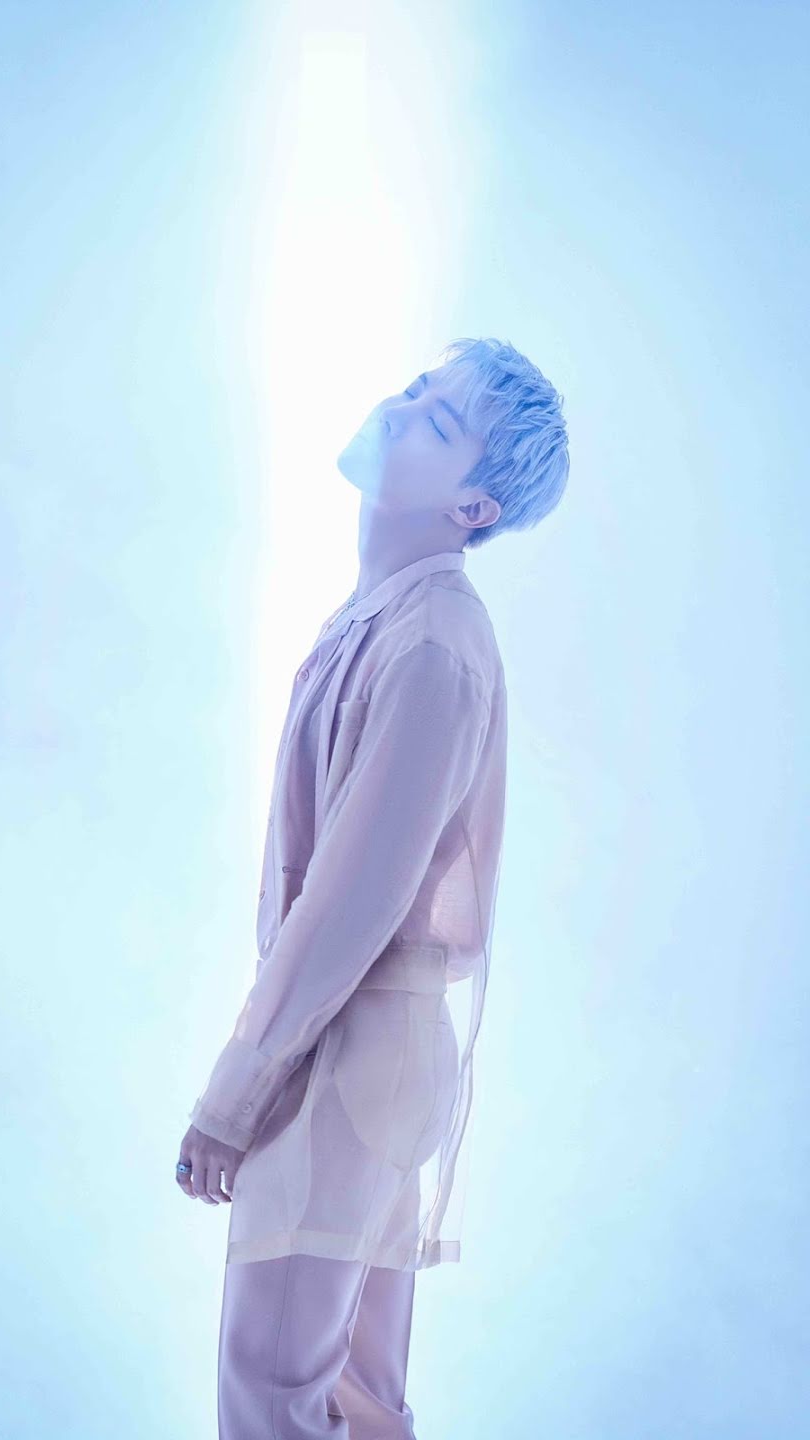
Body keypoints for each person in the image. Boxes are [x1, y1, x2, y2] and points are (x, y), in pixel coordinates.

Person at [176, 336, 569, 1437]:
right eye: (415, 389)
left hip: (358, 1056)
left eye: (438, 421)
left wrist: (234, 1095)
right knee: (354, 1393)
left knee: (272, 1385)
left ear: (475, 509)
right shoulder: (386, 615)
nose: (398, 409)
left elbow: (352, 902)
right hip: (363, 1053)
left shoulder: (433, 641)